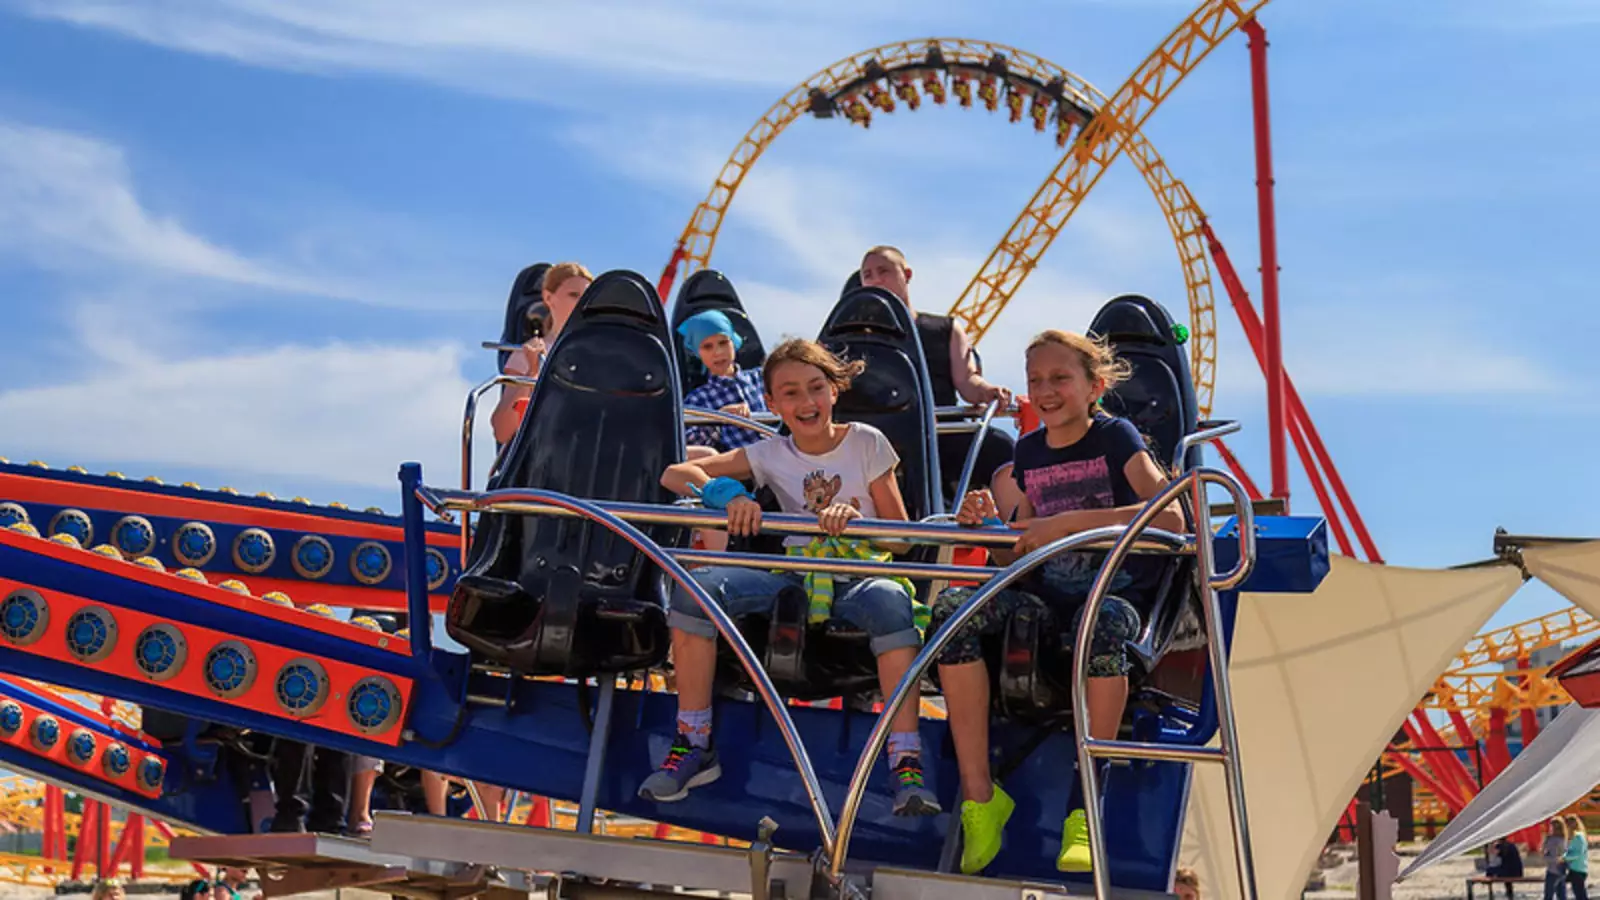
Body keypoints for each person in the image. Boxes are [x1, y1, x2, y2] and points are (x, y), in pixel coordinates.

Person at [638, 338, 938, 817]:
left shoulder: (866, 442)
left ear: (834, 391)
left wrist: (856, 519)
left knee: (889, 602)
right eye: (791, 393)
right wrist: (728, 494)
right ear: (773, 404)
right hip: (797, 578)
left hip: (859, 572)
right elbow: (677, 472)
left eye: (816, 388)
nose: (807, 402)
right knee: (698, 591)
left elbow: (902, 541)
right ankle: (694, 741)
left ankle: (905, 759)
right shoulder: (770, 453)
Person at [930, 329, 1184, 876]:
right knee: (952, 613)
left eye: (1060, 378)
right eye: (1035, 380)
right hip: (1044, 602)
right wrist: (988, 524)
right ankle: (980, 796)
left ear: (1093, 386)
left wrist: (1069, 524)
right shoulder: (1026, 452)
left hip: (1111, 599)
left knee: (1103, 623)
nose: (1046, 390)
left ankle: (1085, 805)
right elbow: (1020, 545)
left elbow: (1170, 518)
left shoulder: (1118, 439)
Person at [857, 246, 1017, 500]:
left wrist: (987, 391)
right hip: (882, 440)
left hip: (942, 433)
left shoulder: (945, 329)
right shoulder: (857, 338)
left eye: (883, 271)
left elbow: (967, 381)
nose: (875, 280)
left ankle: (1012, 527)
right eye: (867, 275)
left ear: (906, 274)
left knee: (1001, 448)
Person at [490, 261, 594, 445]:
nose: (580, 304)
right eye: (573, 295)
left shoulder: (599, 354)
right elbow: (502, 430)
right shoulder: (529, 352)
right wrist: (532, 372)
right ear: (548, 298)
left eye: (585, 298)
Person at [679, 309, 769, 454]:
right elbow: (688, 443)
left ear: (734, 342)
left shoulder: (762, 378)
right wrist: (718, 418)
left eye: (723, 342)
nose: (718, 352)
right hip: (740, 467)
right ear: (697, 353)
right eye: (707, 346)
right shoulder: (697, 399)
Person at [1546, 819, 1570, 900]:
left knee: (1549, 895)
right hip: (1561, 869)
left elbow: (1548, 855)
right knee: (1561, 895)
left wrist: (1547, 857)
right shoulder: (1563, 839)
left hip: (1553, 870)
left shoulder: (1553, 840)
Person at [1567, 815, 1589, 900]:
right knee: (1579, 894)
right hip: (1578, 868)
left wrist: (1564, 857)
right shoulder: (1577, 836)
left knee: (1580, 895)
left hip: (1578, 869)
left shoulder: (1578, 837)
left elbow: (1577, 853)